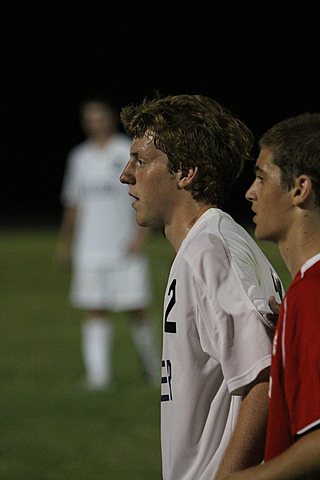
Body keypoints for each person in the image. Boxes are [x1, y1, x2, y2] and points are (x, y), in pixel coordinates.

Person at [119, 94, 284, 480]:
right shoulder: (205, 246)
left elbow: (263, 378)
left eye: (141, 161)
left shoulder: (212, 251)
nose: (126, 174)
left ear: (185, 172)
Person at [224, 113, 320, 479]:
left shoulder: (312, 295)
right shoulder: (304, 294)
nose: (250, 191)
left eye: (262, 177)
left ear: (300, 189)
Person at [56, 97, 159, 390]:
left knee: (136, 307)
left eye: (99, 117)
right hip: (89, 248)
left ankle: (154, 371)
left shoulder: (125, 150)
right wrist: (66, 243)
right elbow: (73, 204)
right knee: (94, 308)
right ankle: (98, 377)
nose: (95, 123)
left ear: (110, 119)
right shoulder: (79, 157)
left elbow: (146, 195)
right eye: (89, 119)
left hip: (124, 247)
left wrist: (140, 236)